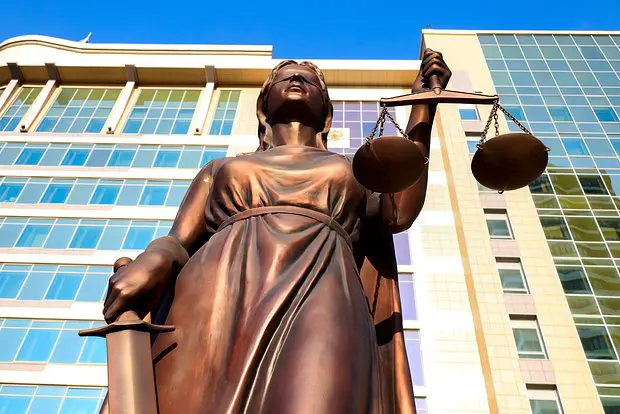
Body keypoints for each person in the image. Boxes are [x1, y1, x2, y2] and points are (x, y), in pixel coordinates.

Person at [102, 49, 451, 414]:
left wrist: (423, 108)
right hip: (218, 296)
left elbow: (398, 212)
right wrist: (153, 259)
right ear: (262, 109)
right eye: (286, 77)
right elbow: (179, 240)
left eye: (309, 80)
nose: (297, 78)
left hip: (323, 291)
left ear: (326, 114)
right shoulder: (220, 168)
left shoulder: (354, 168)